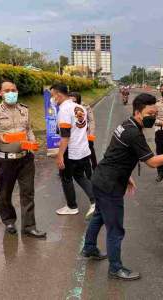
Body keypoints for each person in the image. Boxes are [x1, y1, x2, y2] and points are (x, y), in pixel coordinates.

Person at [81, 93, 163, 281]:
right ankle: (115, 268)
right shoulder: (133, 132)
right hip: (109, 185)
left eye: (155, 113)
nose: (153, 116)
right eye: (150, 113)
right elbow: (153, 162)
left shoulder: (127, 124)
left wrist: (127, 175)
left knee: (99, 215)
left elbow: (115, 152)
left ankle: (89, 247)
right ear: (138, 112)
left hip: (102, 178)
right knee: (115, 229)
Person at [0, 80, 46, 238]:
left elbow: (28, 129)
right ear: (0, 93)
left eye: (14, 90)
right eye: (7, 90)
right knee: (5, 192)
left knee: (28, 193)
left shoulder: (24, 109)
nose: (11, 93)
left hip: (25, 159)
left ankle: (29, 226)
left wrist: (32, 142)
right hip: (5, 161)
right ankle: (9, 220)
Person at [51, 84, 96, 218]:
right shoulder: (79, 107)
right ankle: (95, 200)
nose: (52, 99)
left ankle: (71, 206)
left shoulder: (64, 110)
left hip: (70, 151)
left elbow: (65, 136)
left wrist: (60, 156)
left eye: (53, 95)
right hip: (83, 149)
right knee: (80, 176)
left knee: (66, 178)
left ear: (58, 94)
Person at [70, 92, 97, 178]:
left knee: (89, 150)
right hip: (74, 136)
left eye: (74, 100)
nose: (72, 102)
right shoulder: (68, 108)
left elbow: (91, 121)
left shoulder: (85, 107)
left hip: (86, 134)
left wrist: (91, 135)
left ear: (78, 99)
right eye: (70, 100)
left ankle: (94, 167)